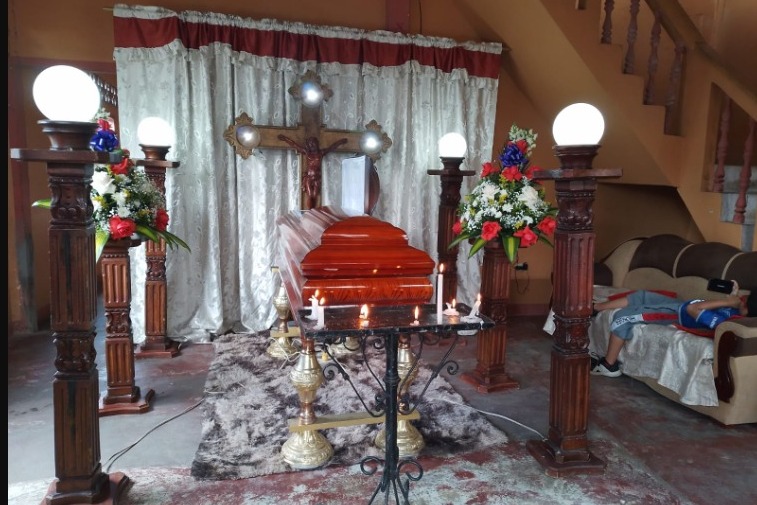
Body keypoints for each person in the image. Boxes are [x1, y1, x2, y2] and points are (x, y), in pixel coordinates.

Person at [590, 281, 757, 377]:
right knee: (642, 296)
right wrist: (732, 297)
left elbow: (693, 309)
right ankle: (594, 308)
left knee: (624, 317)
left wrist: (729, 302)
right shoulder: (738, 310)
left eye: (745, 302)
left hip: (677, 315)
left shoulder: (728, 322)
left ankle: (609, 365)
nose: (742, 300)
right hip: (681, 305)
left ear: (749, 311)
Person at [278, 134, 348, 209]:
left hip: (317, 178)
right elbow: (295, 145)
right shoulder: (307, 152)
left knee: (315, 195)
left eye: (313, 143)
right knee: (310, 195)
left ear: (317, 143)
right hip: (309, 178)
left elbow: (332, 147)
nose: (312, 145)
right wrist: (285, 139)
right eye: (310, 143)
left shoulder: (321, 153)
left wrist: (340, 142)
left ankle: (313, 210)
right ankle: (310, 211)